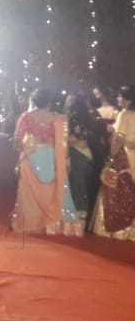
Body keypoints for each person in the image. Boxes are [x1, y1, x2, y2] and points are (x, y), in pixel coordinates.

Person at [12, 89, 83, 235]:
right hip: (51, 157)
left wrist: (27, 147)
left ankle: (32, 222)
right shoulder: (58, 118)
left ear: (33, 101)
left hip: (30, 157)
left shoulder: (25, 117)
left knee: (29, 193)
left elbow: (17, 140)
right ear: (49, 102)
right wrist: (65, 161)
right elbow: (62, 144)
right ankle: (52, 225)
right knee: (51, 190)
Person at [92, 86, 135, 239]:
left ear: (127, 99)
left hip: (124, 157)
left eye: (120, 96)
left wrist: (110, 157)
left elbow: (118, 140)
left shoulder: (124, 114)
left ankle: (118, 229)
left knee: (117, 191)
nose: (117, 99)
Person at [67, 94, 108, 227]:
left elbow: (70, 138)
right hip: (91, 155)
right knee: (86, 185)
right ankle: (85, 214)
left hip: (77, 153)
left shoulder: (72, 118)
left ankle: (79, 214)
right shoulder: (92, 118)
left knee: (77, 184)